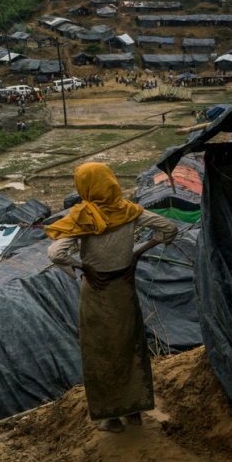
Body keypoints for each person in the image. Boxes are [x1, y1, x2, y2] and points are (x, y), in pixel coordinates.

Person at [46, 163, 178, 433]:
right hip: (124, 289)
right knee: (130, 347)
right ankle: (136, 412)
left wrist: (84, 267)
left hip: (97, 291)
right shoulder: (128, 210)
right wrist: (137, 253)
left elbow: (56, 253)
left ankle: (112, 419)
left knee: (101, 353)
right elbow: (168, 229)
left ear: (85, 186)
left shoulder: (84, 217)